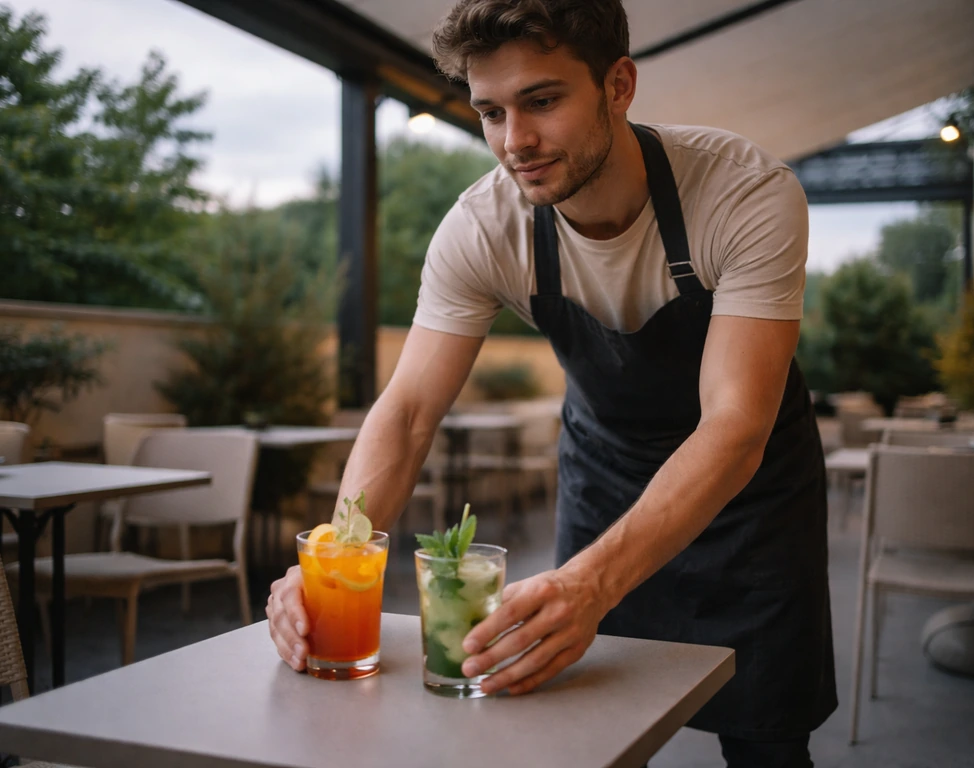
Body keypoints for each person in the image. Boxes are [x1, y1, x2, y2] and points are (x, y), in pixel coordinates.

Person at [267, 0, 836, 764]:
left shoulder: (744, 195)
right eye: (490, 112)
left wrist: (594, 585)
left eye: (542, 100)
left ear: (619, 86)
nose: (515, 141)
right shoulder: (482, 228)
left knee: (766, 740)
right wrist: (335, 554)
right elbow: (405, 414)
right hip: (604, 480)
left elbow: (734, 427)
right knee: (584, 738)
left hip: (752, 500)